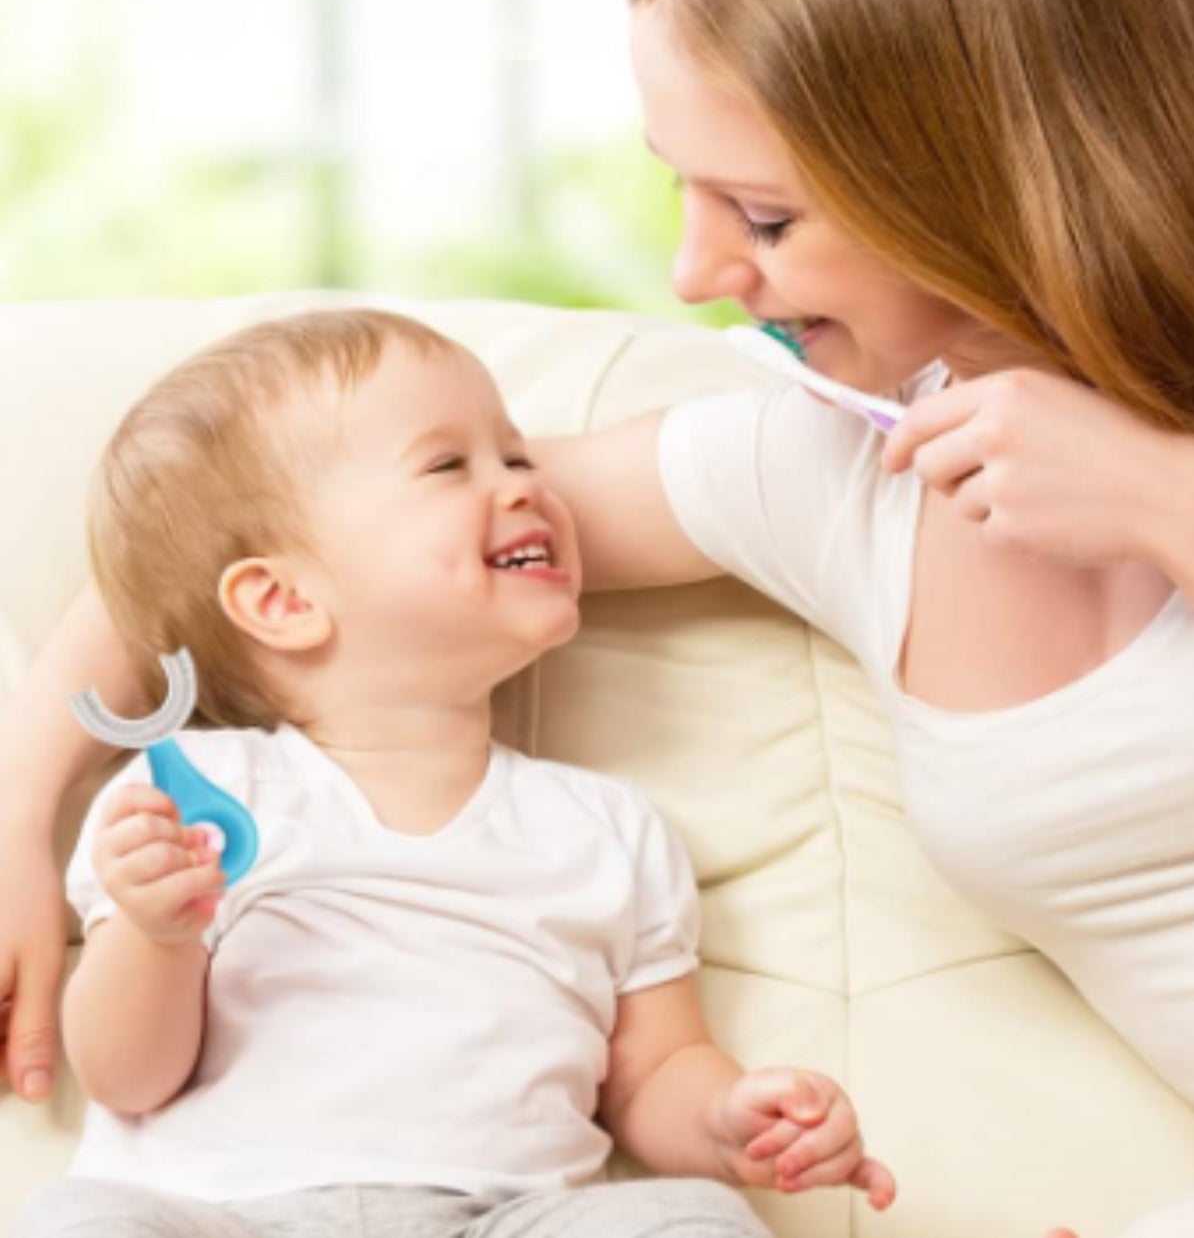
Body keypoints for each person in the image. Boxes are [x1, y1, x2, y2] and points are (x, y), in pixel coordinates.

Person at [3, 0, 1194, 1231]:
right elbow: (275, 538)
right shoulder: (832, 469)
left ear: (990, 167)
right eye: (682, 189)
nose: (691, 272)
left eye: (762, 213)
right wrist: (18, 804)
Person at [10, 309, 895, 1238]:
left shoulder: (610, 830)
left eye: (517, 455)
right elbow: (125, 1077)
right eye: (449, 466)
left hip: (505, 1219)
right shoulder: (194, 796)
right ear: (281, 598)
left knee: (695, 1220)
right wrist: (156, 932)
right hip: (220, 1216)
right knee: (82, 1222)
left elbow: (654, 1074)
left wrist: (729, 1119)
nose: (524, 486)